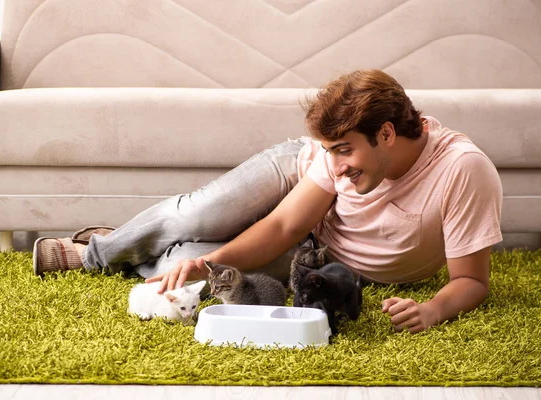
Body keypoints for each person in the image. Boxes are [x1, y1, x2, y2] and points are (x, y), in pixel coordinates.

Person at [33, 69, 503, 334]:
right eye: (330, 150)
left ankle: (132, 242)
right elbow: (284, 226)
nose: (337, 165)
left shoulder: (462, 170)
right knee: (199, 216)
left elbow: (470, 281)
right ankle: (95, 253)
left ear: (386, 134)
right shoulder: (330, 160)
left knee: (183, 267)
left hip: (325, 256)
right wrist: (215, 262)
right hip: (293, 179)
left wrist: (434, 309)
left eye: (344, 150)